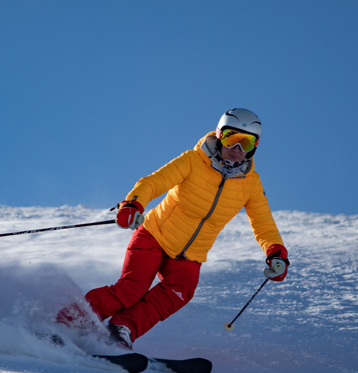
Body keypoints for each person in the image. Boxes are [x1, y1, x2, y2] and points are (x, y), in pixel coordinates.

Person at [56, 108, 289, 347]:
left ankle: (121, 329)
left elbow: (263, 223)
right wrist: (133, 204)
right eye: (231, 138)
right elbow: (155, 181)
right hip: (154, 236)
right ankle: (67, 323)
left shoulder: (250, 183)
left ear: (255, 146)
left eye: (246, 142)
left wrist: (276, 253)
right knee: (131, 289)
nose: (237, 149)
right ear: (219, 135)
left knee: (180, 292)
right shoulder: (193, 161)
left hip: (190, 255)